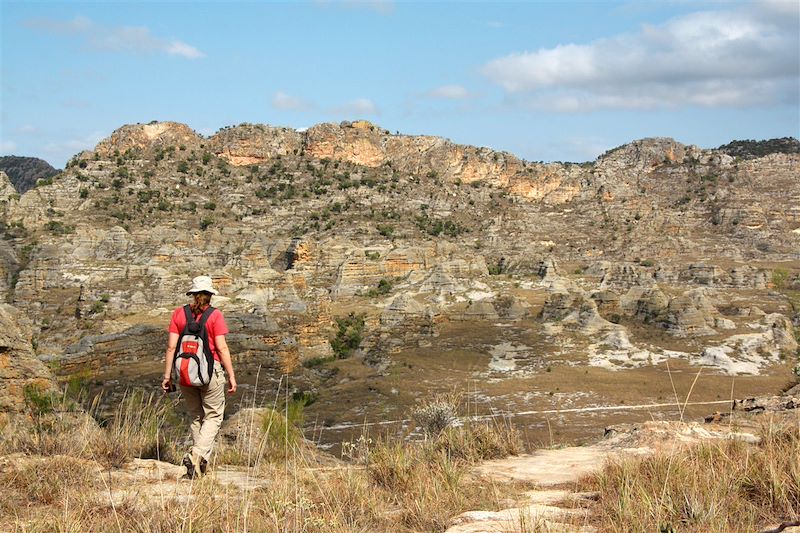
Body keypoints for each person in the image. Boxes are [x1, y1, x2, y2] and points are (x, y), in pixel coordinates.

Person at [162, 275, 237, 478]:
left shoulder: (179, 314)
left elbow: (171, 347)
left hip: (185, 373)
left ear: (193, 294)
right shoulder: (214, 316)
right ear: (210, 295)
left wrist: (167, 376)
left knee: (197, 417)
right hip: (210, 373)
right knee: (213, 416)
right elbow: (221, 348)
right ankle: (197, 454)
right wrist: (231, 375)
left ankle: (199, 469)